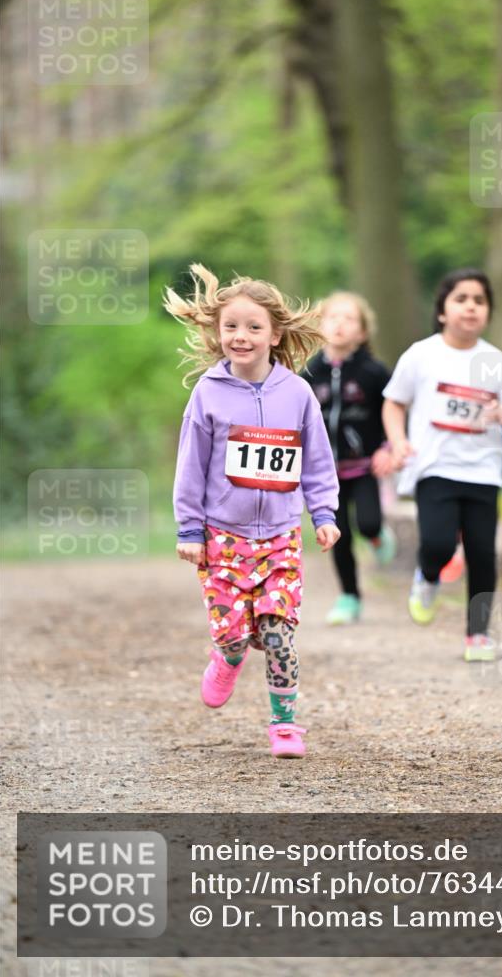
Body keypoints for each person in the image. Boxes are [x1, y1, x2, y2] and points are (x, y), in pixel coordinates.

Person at [166, 264, 340, 758]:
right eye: (231, 327)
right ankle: (226, 656)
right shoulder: (208, 393)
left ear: (275, 334)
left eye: (253, 327)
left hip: (281, 538)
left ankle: (285, 725)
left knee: (279, 634)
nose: (240, 336)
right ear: (218, 333)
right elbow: (191, 467)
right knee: (238, 638)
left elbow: (318, 461)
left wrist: (323, 515)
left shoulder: (298, 393)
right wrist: (189, 528)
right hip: (223, 538)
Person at [382, 268, 502, 661]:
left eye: (479, 301)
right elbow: (394, 402)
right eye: (461, 299)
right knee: (438, 543)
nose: (471, 307)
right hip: (434, 467)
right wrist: (399, 442)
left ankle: (478, 634)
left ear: (488, 313)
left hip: (483, 470)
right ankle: (427, 577)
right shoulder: (422, 354)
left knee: (483, 553)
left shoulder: (495, 362)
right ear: (443, 311)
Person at [302, 291, 395, 625]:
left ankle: (378, 535)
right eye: (333, 317)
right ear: (320, 325)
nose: (340, 324)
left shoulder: (374, 372)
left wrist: (388, 447)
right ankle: (349, 597)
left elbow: (394, 410)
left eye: (349, 318)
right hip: (326, 473)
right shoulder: (309, 374)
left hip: (365, 465)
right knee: (336, 534)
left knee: (367, 522)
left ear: (363, 332)